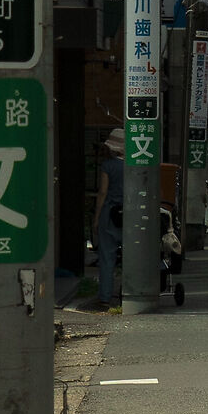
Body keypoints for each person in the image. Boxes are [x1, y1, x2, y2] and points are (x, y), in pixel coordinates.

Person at [91, 126, 125, 307]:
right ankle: (128, 293)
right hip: (130, 215)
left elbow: (102, 192)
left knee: (106, 257)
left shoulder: (107, 166)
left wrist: (96, 218)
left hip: (109, 214)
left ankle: (105, 297)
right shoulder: (134, 165)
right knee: (130, 256)